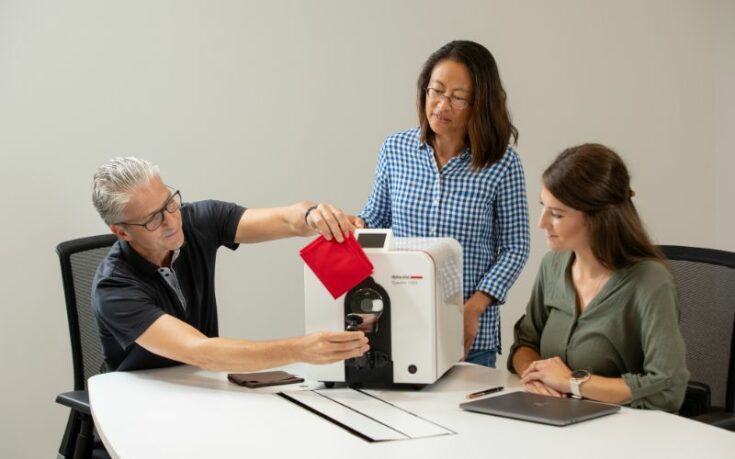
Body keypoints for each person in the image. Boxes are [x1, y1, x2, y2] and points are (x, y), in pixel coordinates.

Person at [91, 157, 369, 372]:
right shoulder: (114, 288)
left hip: (200, 385)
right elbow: (199, 351)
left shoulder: (197, 219)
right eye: (153, 218)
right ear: (122, 232)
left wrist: (313, 216)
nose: (171, 221)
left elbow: (287, 219)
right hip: (142, 404)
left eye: (169, 203)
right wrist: (300, 350)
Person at [356, 40, 530, 367]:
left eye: (458, 97)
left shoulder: (502, 163)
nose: (441, 105)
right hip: (401, 320)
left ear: (481, 103)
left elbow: (515, 247)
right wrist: (351, 226)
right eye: (435, 91)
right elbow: (375, 218)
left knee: (464, 416)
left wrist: (475, 307)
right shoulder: (396, 149)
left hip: (469, 331)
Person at [508, 144, 688, 411]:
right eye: (543, 207)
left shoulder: (651, 282)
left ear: (597, 218)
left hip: (622, 434)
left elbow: (668, 388)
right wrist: (537, 377)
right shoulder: (553, 265)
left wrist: (572, 382)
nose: (541, 223)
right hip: (552, 419)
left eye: (557, 214)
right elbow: (525, 344)